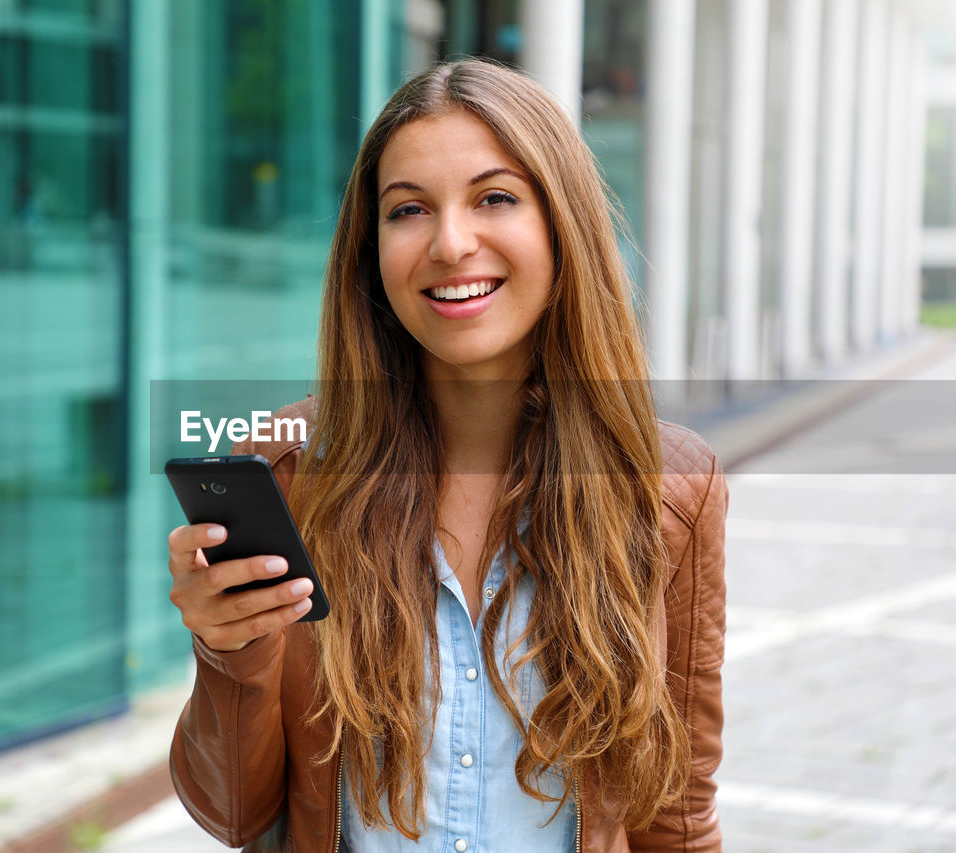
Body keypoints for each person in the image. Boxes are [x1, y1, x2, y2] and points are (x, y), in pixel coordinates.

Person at [166, 58, 728, 853]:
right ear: (372, 251)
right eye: (408, 210)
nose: (450, 242)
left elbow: (674, 817)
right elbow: (233, 814)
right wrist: (229, 652)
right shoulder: (290, 471)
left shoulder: (671, 489)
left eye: (495, 197)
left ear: (561, 225)